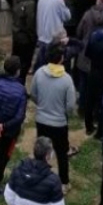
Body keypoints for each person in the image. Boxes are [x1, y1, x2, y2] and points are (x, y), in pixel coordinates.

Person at [32, 45, 76, 193]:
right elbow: (70, 105)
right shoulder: (67, 79)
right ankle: (64, 183)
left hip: (41, 121)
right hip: (59, 124)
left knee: (41, 151)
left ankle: (39, 178)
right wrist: (63, 113)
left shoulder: (39, 73)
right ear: (62, 59)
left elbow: (33, 94)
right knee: (62, 154)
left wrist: (42, 105)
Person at [0, 56, 27, 194]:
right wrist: (4, 126)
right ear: (17, 71)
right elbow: (19, 116)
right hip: (9, 131)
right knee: (3, 157)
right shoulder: (20, 90)